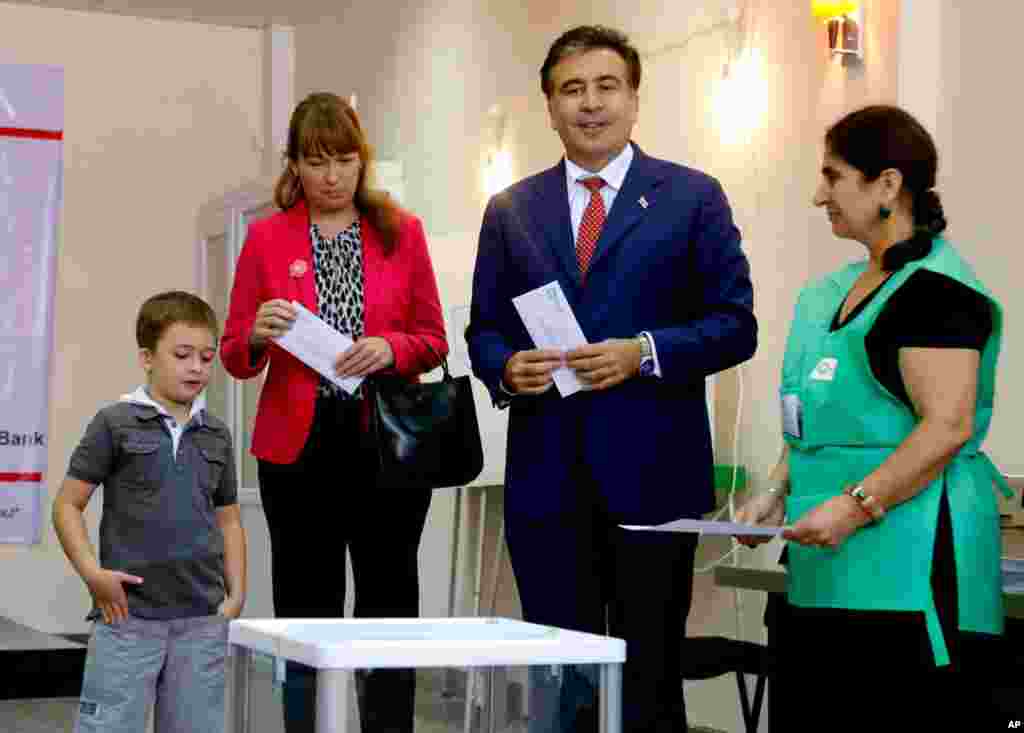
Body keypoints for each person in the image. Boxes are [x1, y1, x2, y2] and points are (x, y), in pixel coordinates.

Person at [467, 25, 757, 732]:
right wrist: (505, 364)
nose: (589, 104)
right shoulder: (511, 210)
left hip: (653, 478)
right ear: (549, 106)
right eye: (572, 89)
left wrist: (645, 351)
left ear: (633, 99)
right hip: (547, 483)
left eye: (605, 87)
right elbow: (483, 329)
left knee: (648, 677)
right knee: (560, 677)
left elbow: (735, 323)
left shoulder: (693, 198)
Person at [736, 105, 1009, 726]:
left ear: (887, 184)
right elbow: (810, 421)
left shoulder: (938, 291)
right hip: (822, 565)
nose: (818, 195)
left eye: (832, 177)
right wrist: (774, 491)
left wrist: (856, 505)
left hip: (908, 568)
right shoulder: (825, 294)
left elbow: (947, 427)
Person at [221, 91, 447, 733]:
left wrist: (390, 347)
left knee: (390, 605)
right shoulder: (267, 239)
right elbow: (236, 355)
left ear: (362, 161)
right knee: (304, 610)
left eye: (343, 160)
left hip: (386, 446)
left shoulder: (402, 234)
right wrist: (258, 336)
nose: (330, 176)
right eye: (315, 161)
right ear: (293, 165)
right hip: (298, 450)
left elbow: (433, 339)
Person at [53, 290, 246, 733]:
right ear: (147, 357)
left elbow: (229, 518)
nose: (196, 367)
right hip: (127, 620)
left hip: (201, 621)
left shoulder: (216, 434)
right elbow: (67, 504)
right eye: (182, 355)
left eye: (206, 356)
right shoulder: (115, 423)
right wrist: (92, 574)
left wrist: (235, 594)